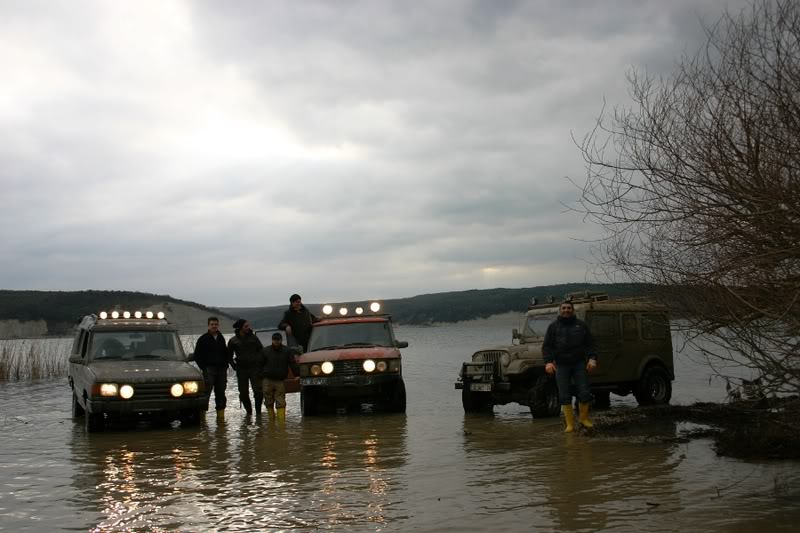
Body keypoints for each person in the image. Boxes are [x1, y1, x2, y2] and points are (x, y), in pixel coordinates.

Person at [542, 300, 598, 432]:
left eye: (569, 308)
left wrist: (592, 359)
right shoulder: (553, 327)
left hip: (579, 363)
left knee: (584, 392)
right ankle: (570, 424)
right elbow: (546, 347)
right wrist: (548, 362)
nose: (566, 310)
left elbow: (590, 344)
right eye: (564, 308)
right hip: (561, 365)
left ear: (573, 310)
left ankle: (584, 419)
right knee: (564, 394)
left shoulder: (581, 326)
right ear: (560, 310)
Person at [193, 316, 231, 419]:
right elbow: (197, 355)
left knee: (221, 392)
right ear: (208, 325)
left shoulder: (221, 338)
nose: (214, 326)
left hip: (222, 370)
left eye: (216, 324)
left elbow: (225, 352)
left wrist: (226, 364)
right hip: (209, 369)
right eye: (212, 324)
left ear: (218, 325)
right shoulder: (203, 339)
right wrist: (204, 367)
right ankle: (202, 417)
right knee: (206, 393)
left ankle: (221, 418)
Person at [227, 319, 264, 416]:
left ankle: (258, 413)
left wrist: (260, 364)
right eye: (246, 326)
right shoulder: (233, 340)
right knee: (243, 393)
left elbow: (261, 351)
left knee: (258, 391)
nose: (248, 328)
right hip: (241, 369)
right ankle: (249, 413)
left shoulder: (254, 338)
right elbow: (228, 356)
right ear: (240, 328)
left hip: (255, 368)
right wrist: (234, 366)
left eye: (248, 326)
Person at [262, 332, 301, 421]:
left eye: (278, 340)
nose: (276, 342)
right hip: (267, 379)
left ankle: (281, 424)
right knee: (268, 400)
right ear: (272, 340)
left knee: (281, 401)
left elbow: (292, 363)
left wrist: (297, 374)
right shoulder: (265, 351)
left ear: (281, 340)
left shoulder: (287, 351)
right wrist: (259, 377)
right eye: (275, 340)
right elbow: (259, 364)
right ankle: (271, 421)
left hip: (280, 380)